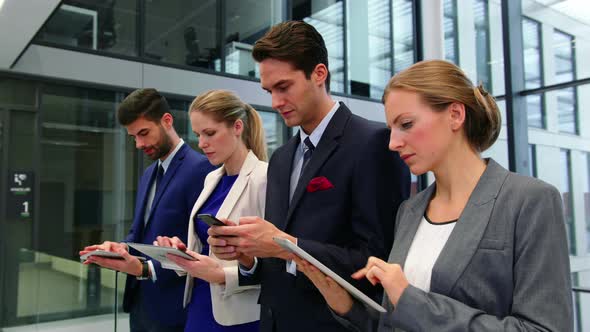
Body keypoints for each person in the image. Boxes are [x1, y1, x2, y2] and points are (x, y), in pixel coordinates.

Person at [295, 59, 573, 331]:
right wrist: (344, 303)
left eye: (406, 124)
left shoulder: (530, 201)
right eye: (391, 128)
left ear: (455, 115)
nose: (392, 143)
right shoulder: (410, 210)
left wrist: (409, 300)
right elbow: (397, 321)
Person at [207, 21, 410, 332]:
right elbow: (276, 267)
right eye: (269, 91)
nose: (274, 102)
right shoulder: (280, 158)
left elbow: (377, 259)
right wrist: (247, 256)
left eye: (284, 87)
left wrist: (285, 245)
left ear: (319, 74)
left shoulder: (372, 144)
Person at [79, 88, 214, 332]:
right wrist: (120, 248)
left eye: (144, 133)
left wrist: (146, 268)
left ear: (167, 121)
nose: (139, 144)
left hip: (175, 310)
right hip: (140, 304)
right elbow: (139, 233)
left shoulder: (201, 170)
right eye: (133, 137)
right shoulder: (149, 174)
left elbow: (201, 245)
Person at [154, 90, 268, 332]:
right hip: (200, 304)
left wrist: (221, 274)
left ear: (237, 127)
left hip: (239, 316)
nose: (202, 144)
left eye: (210, 133)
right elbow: (204, 251)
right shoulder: (211, 179)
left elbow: (276, 263)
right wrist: (180, 253)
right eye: (198, 135)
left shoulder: (264, 178)